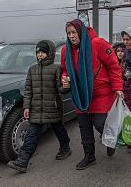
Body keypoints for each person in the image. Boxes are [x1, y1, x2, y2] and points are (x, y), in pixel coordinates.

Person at [61, 19, 123, 170]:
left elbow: (113, 66)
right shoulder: (66, 50)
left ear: (80, 31)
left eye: (74, 32)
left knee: (100, 123)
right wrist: (65, 78)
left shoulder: (98, 44)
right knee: (84, 127)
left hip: (101, 93)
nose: (71, 36)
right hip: (81, 95)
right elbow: (65, 69)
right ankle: (89, 156)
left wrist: (117, 88)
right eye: (68, 33)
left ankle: (111, 140)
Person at [7, 40, 71, 173]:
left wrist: (66, 87)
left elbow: (60, 89)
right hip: (36, 109)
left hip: (52, 108)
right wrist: (26, 107)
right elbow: (28, 90)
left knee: (59, 130)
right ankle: (22, 161)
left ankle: (65, 148)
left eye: (43, 52)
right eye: (38, 52)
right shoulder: (32, 70)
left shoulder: (56, 69)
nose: (40, 55)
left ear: (50, 54)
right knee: (31, 135)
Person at [113, 42, 131, 112]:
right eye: (118, 51)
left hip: (127, 93)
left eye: (122, 51)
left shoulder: (128, 63)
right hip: (115, 93)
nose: (120, 53)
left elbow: (127, 79)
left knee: (126, 115)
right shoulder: (113, 63)